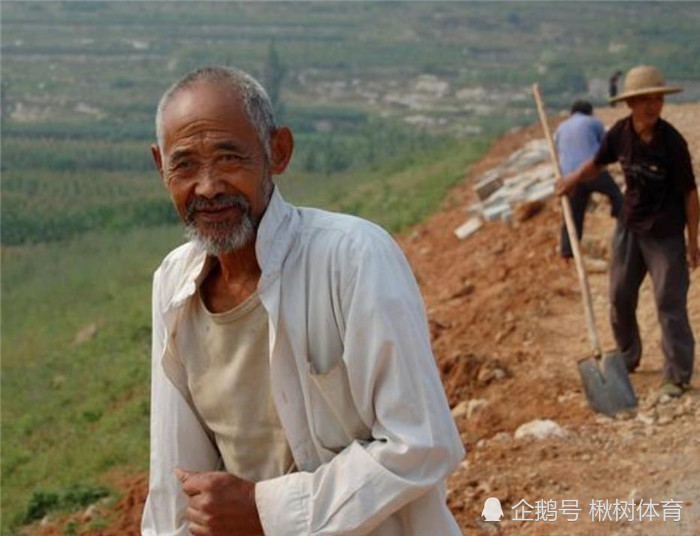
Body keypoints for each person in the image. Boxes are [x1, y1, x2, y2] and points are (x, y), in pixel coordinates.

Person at [141, 66, 464, 536]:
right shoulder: (173, 283)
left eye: (229, 158)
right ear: (160, 166)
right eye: (185, 164)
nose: (207, 186)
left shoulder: (351, 257)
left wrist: (264, 510)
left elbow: (421, 443)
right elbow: (176, 477)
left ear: (278, 152)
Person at [557, 65, 698, 398]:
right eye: (644, 100)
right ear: (630, 104)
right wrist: (572, 180)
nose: (652, 106)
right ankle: (628, 357)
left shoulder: (672, 142)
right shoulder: (620, 133)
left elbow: (691, 195)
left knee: (669, 301)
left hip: (665, 232)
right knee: (620, 295)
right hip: (629, 225)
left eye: (657, 99)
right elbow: (598, 162)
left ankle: (677, 375)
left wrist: (694, 241)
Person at [554, 99, 623, 260]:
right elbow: (606, 148)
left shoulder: (561, 128)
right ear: (590, 111)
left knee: (573, 214)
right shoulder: (594, 123)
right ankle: (622, 221)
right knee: (616, 195)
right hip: (592, 171)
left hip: (569, 178)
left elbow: (560, 150)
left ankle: (567, 251)